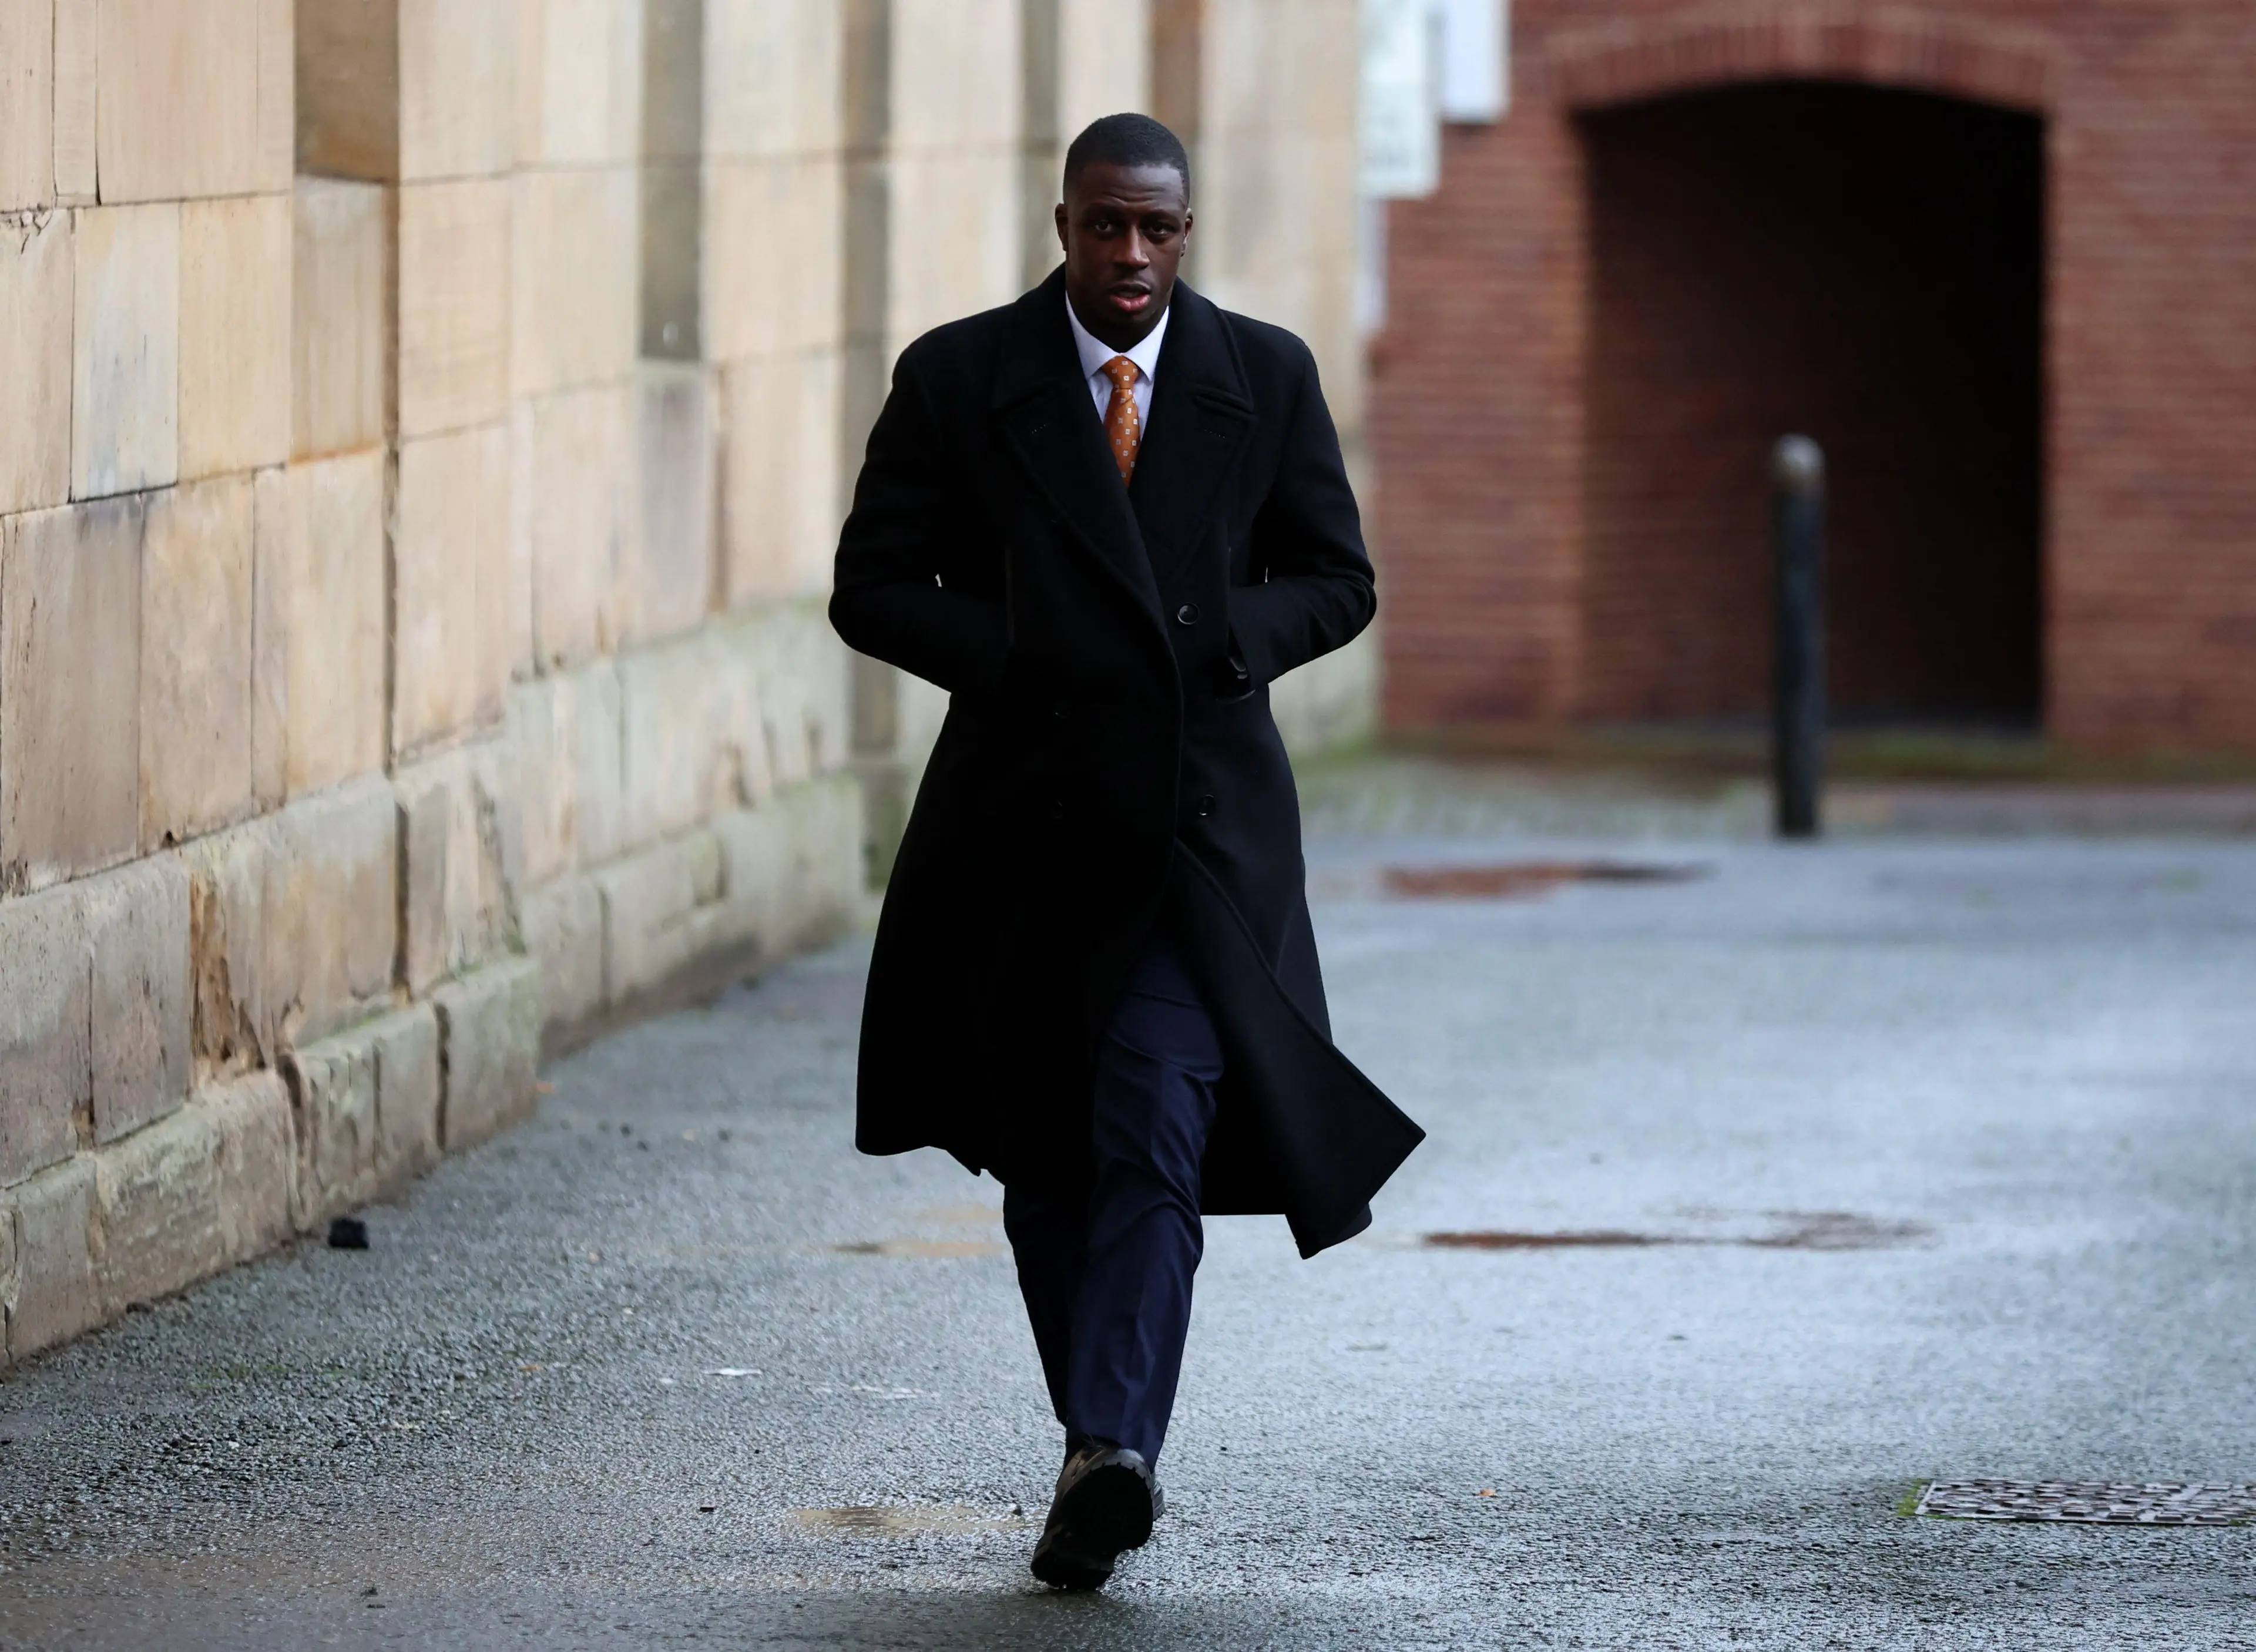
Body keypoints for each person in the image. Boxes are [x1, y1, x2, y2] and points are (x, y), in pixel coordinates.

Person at [830, 112, 1423, 1591]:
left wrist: (1225, 637)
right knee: (1048, 1155)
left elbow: (1338, 579)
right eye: (1108, 225)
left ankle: (1111, 1445)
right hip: (1020, 836)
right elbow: (873, 587)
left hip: (1197, 837)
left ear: (1186, 231)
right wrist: (1022, 649)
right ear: (1065, 226)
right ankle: (1099, 1450)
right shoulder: (965, 376)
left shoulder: (1261, 376)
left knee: (1153, 1118)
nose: (1134, 253)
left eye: (1159, 228)